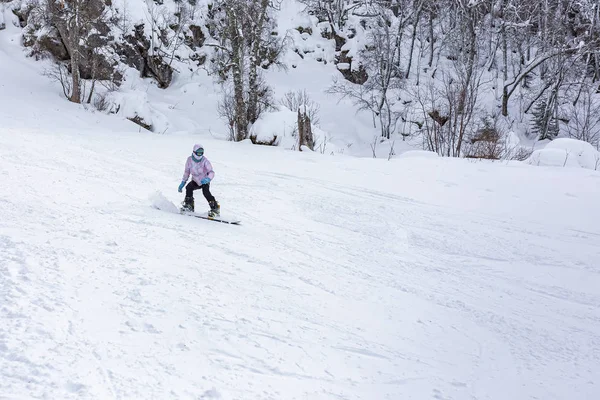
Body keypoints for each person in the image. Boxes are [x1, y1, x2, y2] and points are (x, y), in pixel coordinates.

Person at [178, 144, 220, 217]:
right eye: (198, 152)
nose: (200, 154)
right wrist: (183, 182)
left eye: (201, 152)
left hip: (204, 180)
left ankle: (215, 208)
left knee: (206, 192)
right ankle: (189, 205)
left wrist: (208, 179)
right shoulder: (189, 160)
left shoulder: (205, 161)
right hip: (195, 180)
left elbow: (211, 172)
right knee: (189, 187)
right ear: (194, 152)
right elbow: (187, 172)